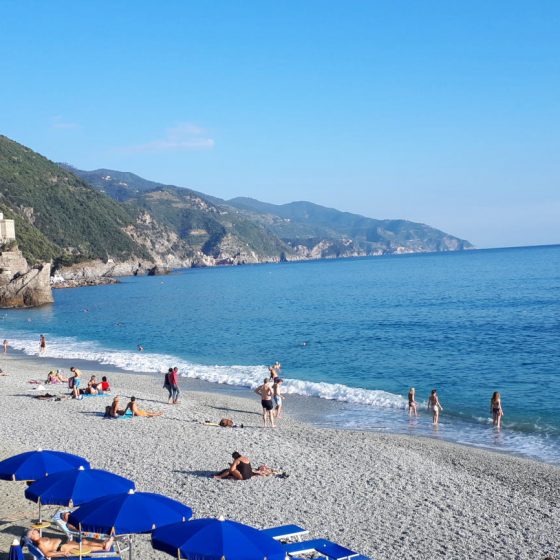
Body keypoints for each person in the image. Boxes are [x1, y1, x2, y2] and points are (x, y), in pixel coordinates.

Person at [25, 528, 114, 558]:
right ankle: (103, 547)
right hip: (61, 547)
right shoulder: (40, 542)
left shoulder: (41, 538)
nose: (36, 531)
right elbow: (47, 554)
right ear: (32, 536)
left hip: (64, 542)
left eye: (36, 530)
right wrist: (62, 553)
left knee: (84, 541)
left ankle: (103, 544)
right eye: (34, 531)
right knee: (82, 547)